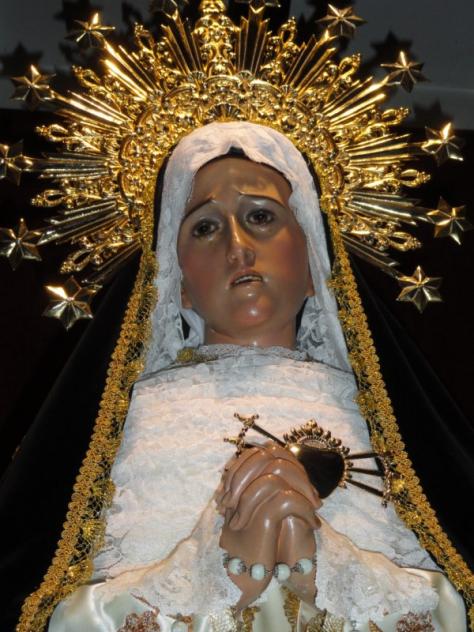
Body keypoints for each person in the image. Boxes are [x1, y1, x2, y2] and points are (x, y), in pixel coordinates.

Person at [45, 122, 467, 631]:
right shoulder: (124, 425)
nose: (237, 247)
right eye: (205, 227)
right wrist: (223, 573)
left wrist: (320, 569)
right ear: (178, 283)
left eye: (261, 216)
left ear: (313, 261)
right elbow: (57, 614)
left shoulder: (386, 422)